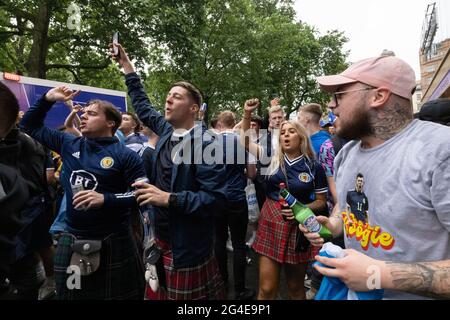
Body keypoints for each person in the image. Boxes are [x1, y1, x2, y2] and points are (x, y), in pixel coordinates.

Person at [300, 55, 450, 299]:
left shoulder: (440, 152)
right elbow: (345, 203)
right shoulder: (346, 153)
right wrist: (335, 224)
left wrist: (377, 274)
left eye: (339, 94)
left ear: (378, 96)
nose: (331, 105)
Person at [112, 43, 227, 300]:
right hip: (158, 238)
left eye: (177, 96)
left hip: (186, 248)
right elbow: (141, 105)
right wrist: (127, 65)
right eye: (168, 94)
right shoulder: (166, 131)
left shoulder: (207, 144)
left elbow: (217, 201)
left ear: (194, 109)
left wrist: (168, 198)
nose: (168, 98)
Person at [20, 86, 146, 300]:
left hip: (114, 241)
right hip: (72, 240)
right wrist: (48, 99)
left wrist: (105, 199)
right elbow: (28, 124)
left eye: (92, 113)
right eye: (84, 112)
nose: (84, 115)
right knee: (72, 294)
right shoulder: (68, 143)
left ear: (110, 123)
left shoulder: (126, 156)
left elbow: (142, 195)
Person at [240, 98, 328, 300]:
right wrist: (247, 114)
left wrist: (303, 208)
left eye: (291, 131)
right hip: (270, 222)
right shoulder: (270, 158)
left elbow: (322, 201)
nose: (286, 135)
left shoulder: (314, 168)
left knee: (295, 288)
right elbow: (244, 141)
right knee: (267, 289)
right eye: (283, 132)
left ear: (301, 137)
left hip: (299, 228)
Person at [214, 111, 256, 300]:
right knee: (239, 244)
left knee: (219, 241)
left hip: (216, 199)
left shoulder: (209, 143)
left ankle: (221, 282)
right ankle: (240, 290)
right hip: (237, 198)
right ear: (233, 124)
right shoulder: (243, 142)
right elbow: (252, 173)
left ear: (219, 124)